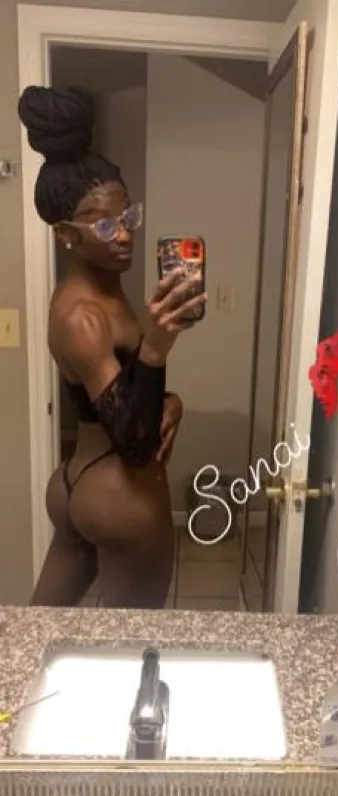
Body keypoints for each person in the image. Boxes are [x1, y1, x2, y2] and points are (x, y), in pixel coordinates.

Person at [17, 85, 207, 608]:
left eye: (128, 218)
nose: (123, 235)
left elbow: (123, 396)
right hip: (120, 493)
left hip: (80, 481)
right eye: (104, 224)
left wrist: (169, 399)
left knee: (39, 631)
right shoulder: (82, 316)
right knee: (132, 642)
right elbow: (137, 445)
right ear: (65, 234)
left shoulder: (103, 291)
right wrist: (157, 350)